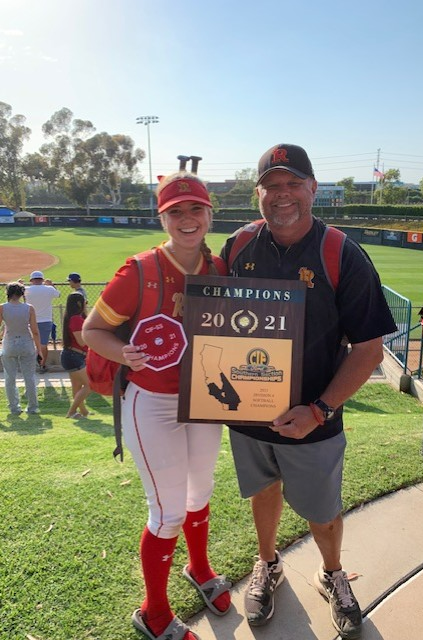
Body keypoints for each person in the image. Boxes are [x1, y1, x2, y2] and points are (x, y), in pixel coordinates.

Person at [220, 144, 397, 639]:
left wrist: (319, 410)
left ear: (313, 188)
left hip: (314, 418)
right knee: (263, 492)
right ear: (258, 193)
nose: (282, 195)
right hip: (248, 413)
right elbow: (210, 318)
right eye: (271, 185)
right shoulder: (237, 247)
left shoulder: (342, 253)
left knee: (321, 513)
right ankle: (268, 562)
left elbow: (368, 349)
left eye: (293, 184)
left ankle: (332, 572)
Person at [82, 170, 232, 640]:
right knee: (166, 511)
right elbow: (92, 331)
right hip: (152, 401)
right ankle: (155, 612)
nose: (187, 219)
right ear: (163, 218)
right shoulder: (140, 269)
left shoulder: (218, 269)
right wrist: (121, 352)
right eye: (175, 212)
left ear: (210, 213)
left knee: (200, 493)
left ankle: (200, 568)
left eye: (196, 209)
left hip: (204, 397)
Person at [0, 282, 44, 415]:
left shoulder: (2, 308)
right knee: (29, 377)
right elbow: (35, 331)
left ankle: (14, 407)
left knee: (10, 378)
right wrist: (39, 350)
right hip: (26, 342)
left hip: (9, 342)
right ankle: (32, 407)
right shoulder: (29, 308)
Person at [61, 292, 92, 419]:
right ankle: (72, 412)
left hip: (73, 356)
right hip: (74, 356)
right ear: (79, 303)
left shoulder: (74, 317)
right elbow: (81, 341)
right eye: (85, 302)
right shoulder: (76, 319)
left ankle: (83, 412)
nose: (86, 305)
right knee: (90, 384)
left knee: (77, 386)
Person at [24, 270, 60, 372]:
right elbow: (58, 294)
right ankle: (42, 365)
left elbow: (18, 291)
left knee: (31, 343)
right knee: (43, 345)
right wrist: (51, 285)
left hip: (31, 320)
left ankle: (30, 365)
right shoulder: (48, 289)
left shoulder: (26, 289)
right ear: (42, 279)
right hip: (46, 320)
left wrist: (20, 283)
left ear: (31, 280)